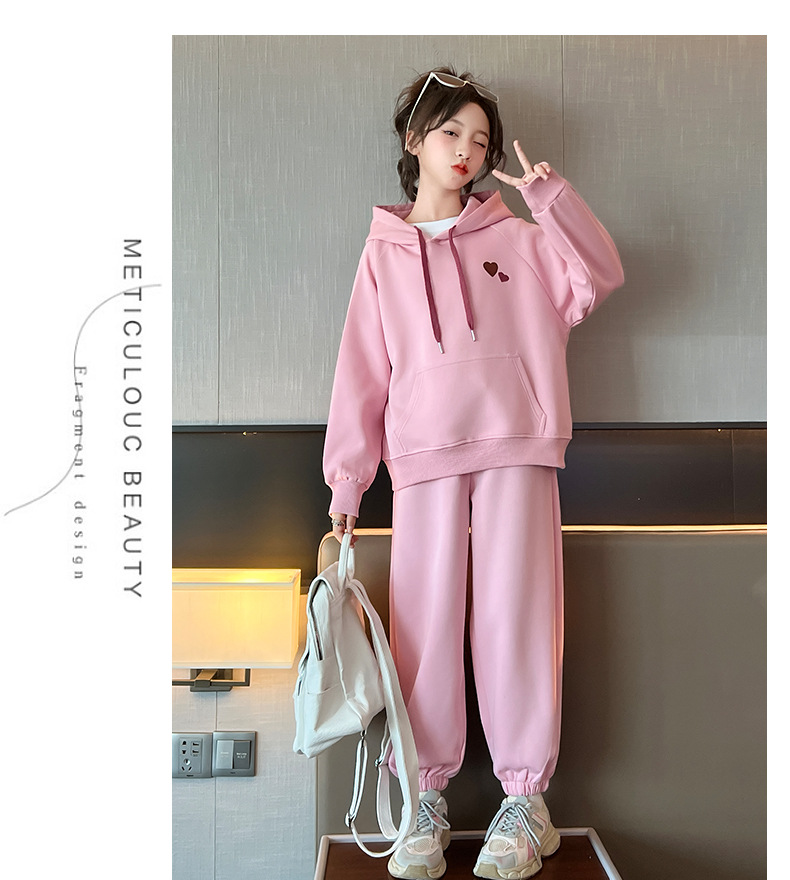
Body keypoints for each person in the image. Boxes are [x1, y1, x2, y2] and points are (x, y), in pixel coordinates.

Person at [323, 67, 624, 880]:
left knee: (516, 619)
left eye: (481, 140)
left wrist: (550, 199)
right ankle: (423, 794)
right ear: (414, 138)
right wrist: (347, 484)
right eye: (451, 131)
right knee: (421, 629)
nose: (467, 150)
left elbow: (599, 276)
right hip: (422, 460)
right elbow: (361, 374)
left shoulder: (521, 237)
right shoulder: (383, 254)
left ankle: (525, 801)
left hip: (518, 446)